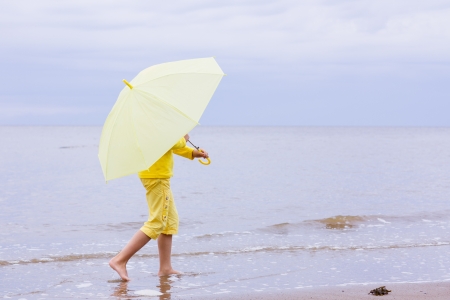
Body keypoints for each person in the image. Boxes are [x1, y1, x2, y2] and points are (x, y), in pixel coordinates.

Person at [109, 134, 209, 281]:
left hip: (158, 176)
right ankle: (120, 260)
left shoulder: (158, 125)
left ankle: (165, 268)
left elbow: (168, 146)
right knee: (157, 222)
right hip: (156, 177)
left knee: (169, 222)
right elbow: (167, 140)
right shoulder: (150, 126)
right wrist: (183, 139)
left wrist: (193, 153)